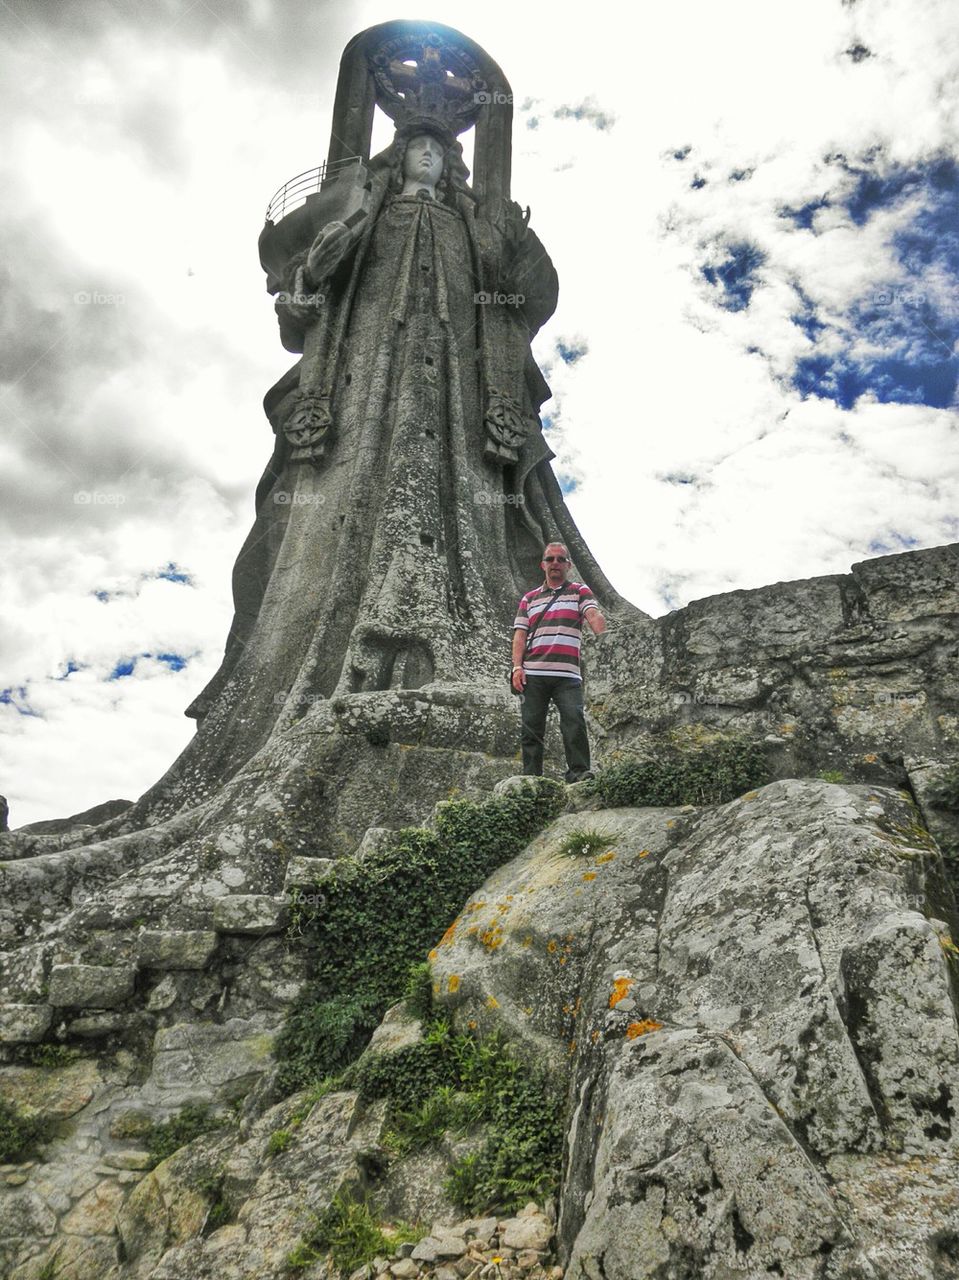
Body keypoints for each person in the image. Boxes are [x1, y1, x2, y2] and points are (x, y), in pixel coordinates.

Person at [511, 542, 606, 783]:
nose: (555, 563)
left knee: (574, 722)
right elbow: (520, 635)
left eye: (560, 559)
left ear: (568, 565)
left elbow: (592, 615)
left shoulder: (579, 591)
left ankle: (579, 774)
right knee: (531, 729)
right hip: (534, 673)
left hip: (568, 675)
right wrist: (517, 667)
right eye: (550, 559)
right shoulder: (529, 599)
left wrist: (603, 636)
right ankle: (532, 780)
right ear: (542, 564)